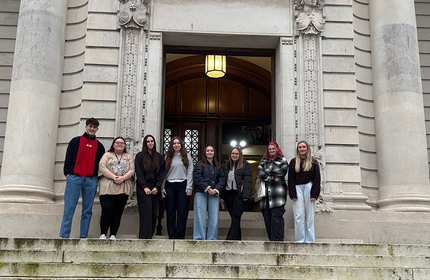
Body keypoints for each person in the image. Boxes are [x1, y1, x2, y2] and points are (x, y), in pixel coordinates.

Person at [59, 118, 105, 238]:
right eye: (90, 126)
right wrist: (68, 174)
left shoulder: (100, 146)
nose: (92, 129)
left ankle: (83, 236)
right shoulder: (75, 141)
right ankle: (64, 236)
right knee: (69, 207)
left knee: (87, 210)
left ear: (97, 129)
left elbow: (101, 164)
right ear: (86, 127)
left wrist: (96, 178)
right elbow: (68, 158)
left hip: (91, 180)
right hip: (75, 178)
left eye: (94, 127)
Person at [98, 137, 134, 240]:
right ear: (113, 144)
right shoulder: (107, 155)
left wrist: (123, 178)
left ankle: (113, 234)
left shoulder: (128, 156)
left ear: (124, 145)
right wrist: (114, 177)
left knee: (118, 213)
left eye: (122, 143)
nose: (119, 144)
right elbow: (102, 167)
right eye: (117, 142)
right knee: (106, 211)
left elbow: (132, 170)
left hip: (122, 188)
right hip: (107, 188)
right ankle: (103, 233)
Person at [288, 140, 321, 243]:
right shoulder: (293, 162)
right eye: (300, 147)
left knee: (309, 216)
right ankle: (300, 240)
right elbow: (290, 179)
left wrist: (314, 194)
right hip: (297, 188)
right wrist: (292, 193)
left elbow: (317, 179)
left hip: (309, 188)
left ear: (307, 148)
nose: (302, 149)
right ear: (298, 149)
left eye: (304, 147)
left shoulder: (314, 162)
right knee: (299, 215)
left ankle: (310, 241)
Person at [135, 135, 165, 239]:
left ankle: (150, 235)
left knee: (154, 213)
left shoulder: (159, 157)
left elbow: (162, 173)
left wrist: (157, 187)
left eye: (152, 141)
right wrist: (144, 187)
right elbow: (138, 173)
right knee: (145, 212)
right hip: (143, 188)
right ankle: (144, 236)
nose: (150, 143)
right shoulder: (139, 156)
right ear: (145, 143)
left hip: (155, 189)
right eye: (148, 141)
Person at [257, 141, 289, 241]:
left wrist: (266, 175)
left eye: (273, 149)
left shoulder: (283, 160)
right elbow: (260, 172)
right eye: (270, 149)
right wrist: (271, 176)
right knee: (267, 218)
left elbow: (281, 173)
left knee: (277, 218)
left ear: (277, 149)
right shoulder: (264, 161)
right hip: (265, 195)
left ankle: (278, 241)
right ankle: (271, 241)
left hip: (278, 195)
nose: (271, 150)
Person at [163, 136, 193, 239]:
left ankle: (180, 235)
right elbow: (164, 173)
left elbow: (190, 172)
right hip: (170, 185)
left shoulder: (187, 156)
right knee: (170, 211)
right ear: (172, 145)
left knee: (182, 211)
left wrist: (189, 187)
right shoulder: (167, 156)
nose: (176, 145)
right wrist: (162, 187)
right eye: (174, 143)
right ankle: (171, 234)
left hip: (182, 185)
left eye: (178, 143)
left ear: (181, 145)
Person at [193, 145, 224, 240]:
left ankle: (212, 238)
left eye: (211, 151)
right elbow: (197, 178)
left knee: (214, 217)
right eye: (208, 151)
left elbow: (222, 179)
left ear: (214, 153)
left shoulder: (218, 166)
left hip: (214, 193)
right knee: (200, 216)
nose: (210, 152)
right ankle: (199, 238)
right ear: (205, 153)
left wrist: (216, 189)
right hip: (201, 192)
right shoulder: (199, 164)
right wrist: (207, 188)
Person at [221, 146, 252, 240]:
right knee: (235, 217)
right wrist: (221, 196)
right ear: (230, 155)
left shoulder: (245, 165)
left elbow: (248, 181)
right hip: (228, 195)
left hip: (239, 195)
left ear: (240, 155)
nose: (234, 155)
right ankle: (237, 238)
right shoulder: (226, 165)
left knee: (236, 215)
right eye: (233, 153)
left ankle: (230, 239)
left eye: (236, 154)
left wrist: (246, 196)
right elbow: (223, 180)